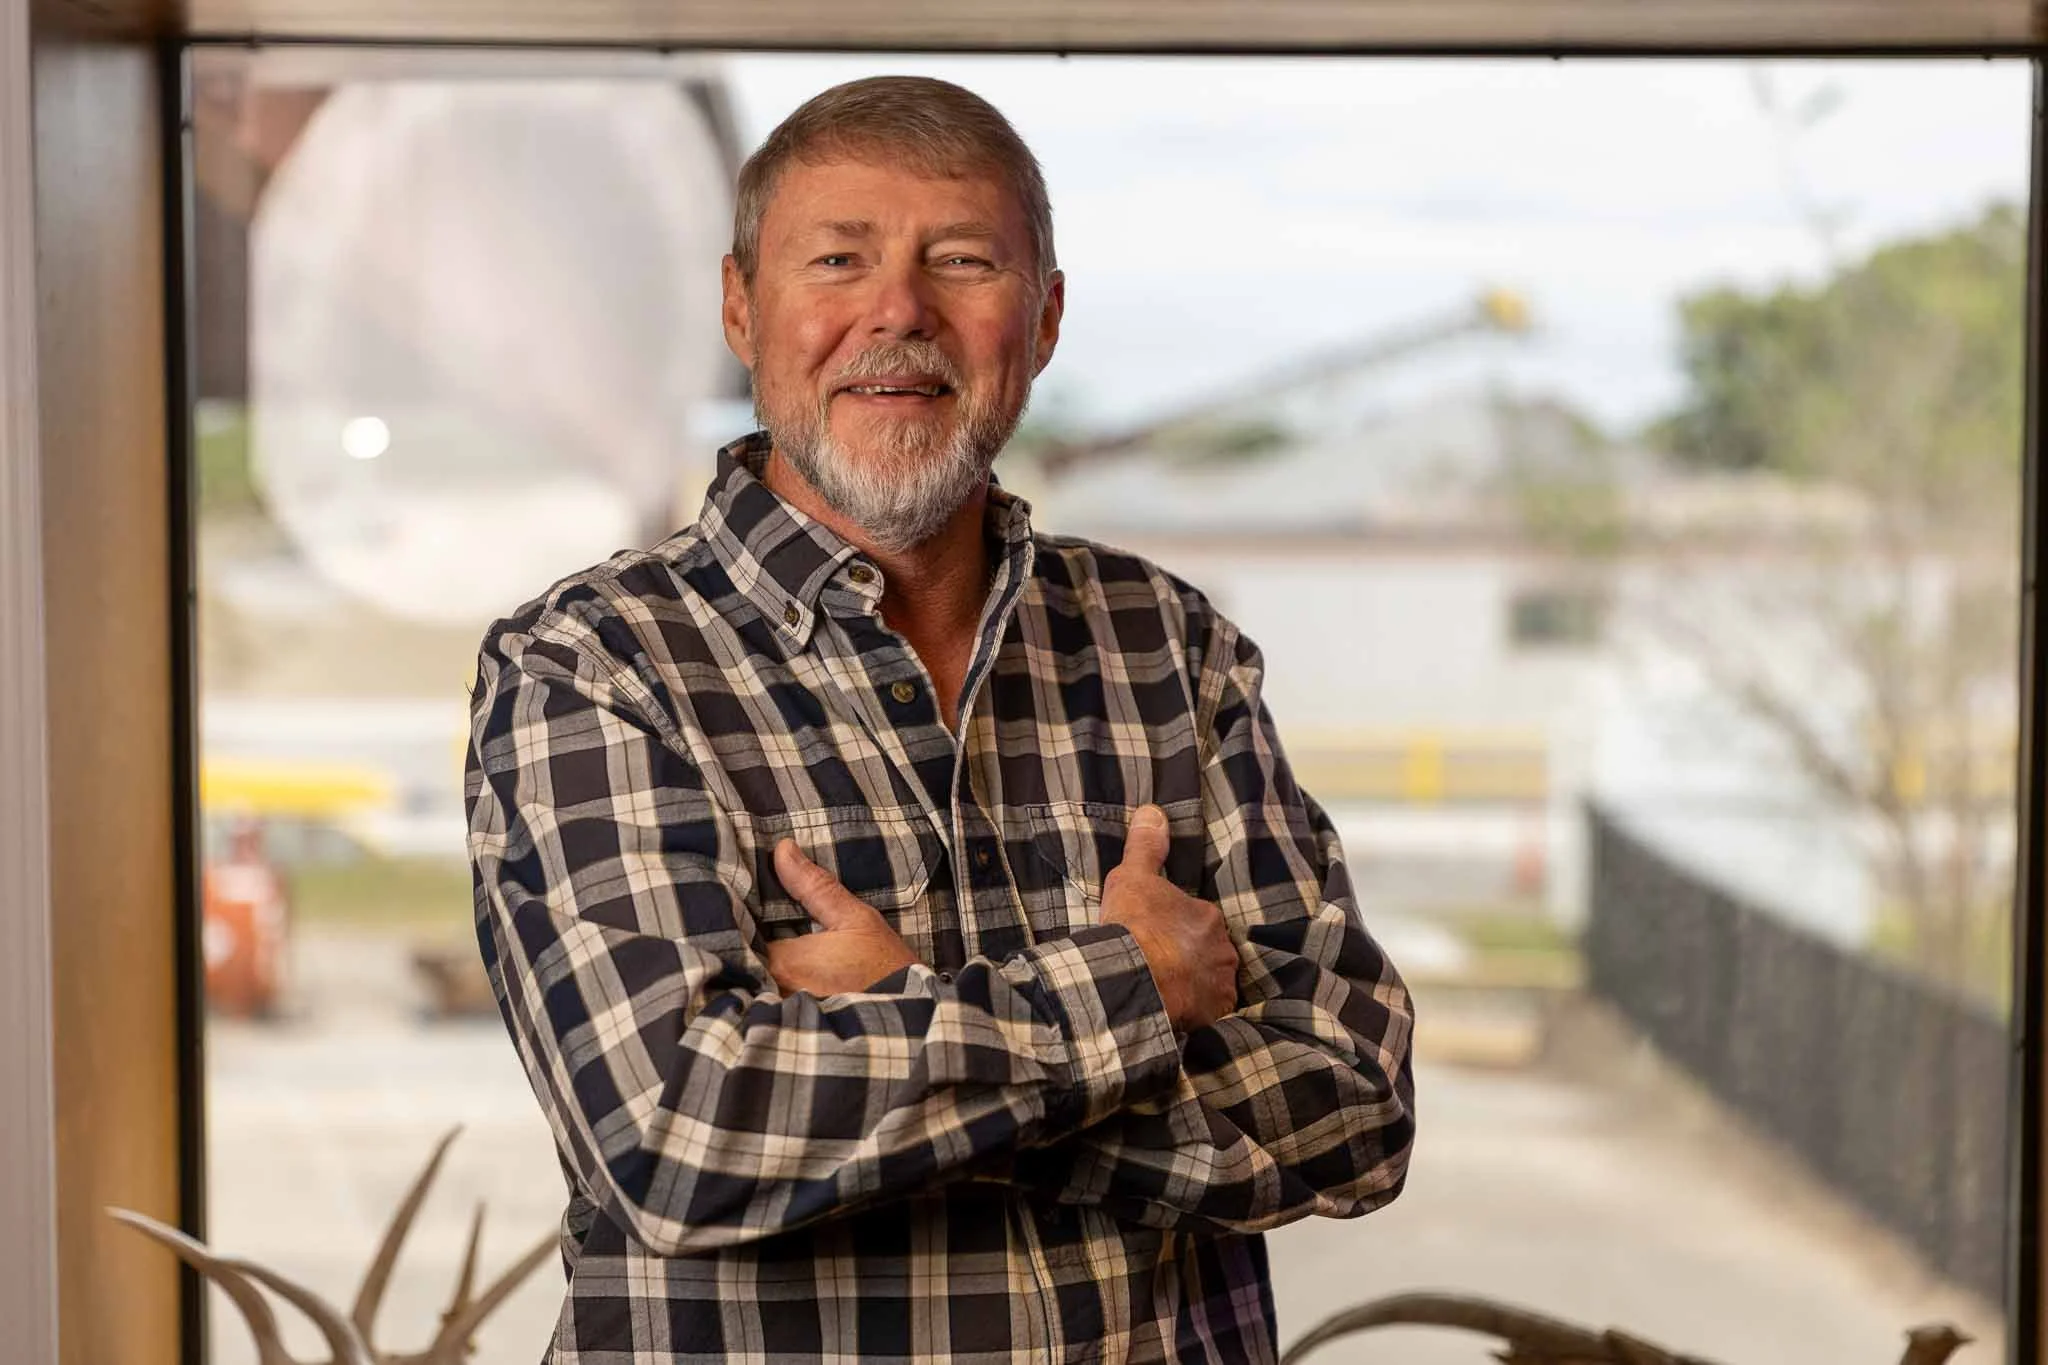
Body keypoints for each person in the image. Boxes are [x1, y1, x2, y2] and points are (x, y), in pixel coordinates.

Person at [466, 74, 1414, 1365]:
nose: (897, 312)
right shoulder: (593, 663)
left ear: (1046, 317)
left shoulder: (1168, 644)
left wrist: (900, 1018)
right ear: (743, 307)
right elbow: (679, 1136)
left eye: (961, 261)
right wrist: (1135, 986)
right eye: (837, 259)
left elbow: (1357, 1111)